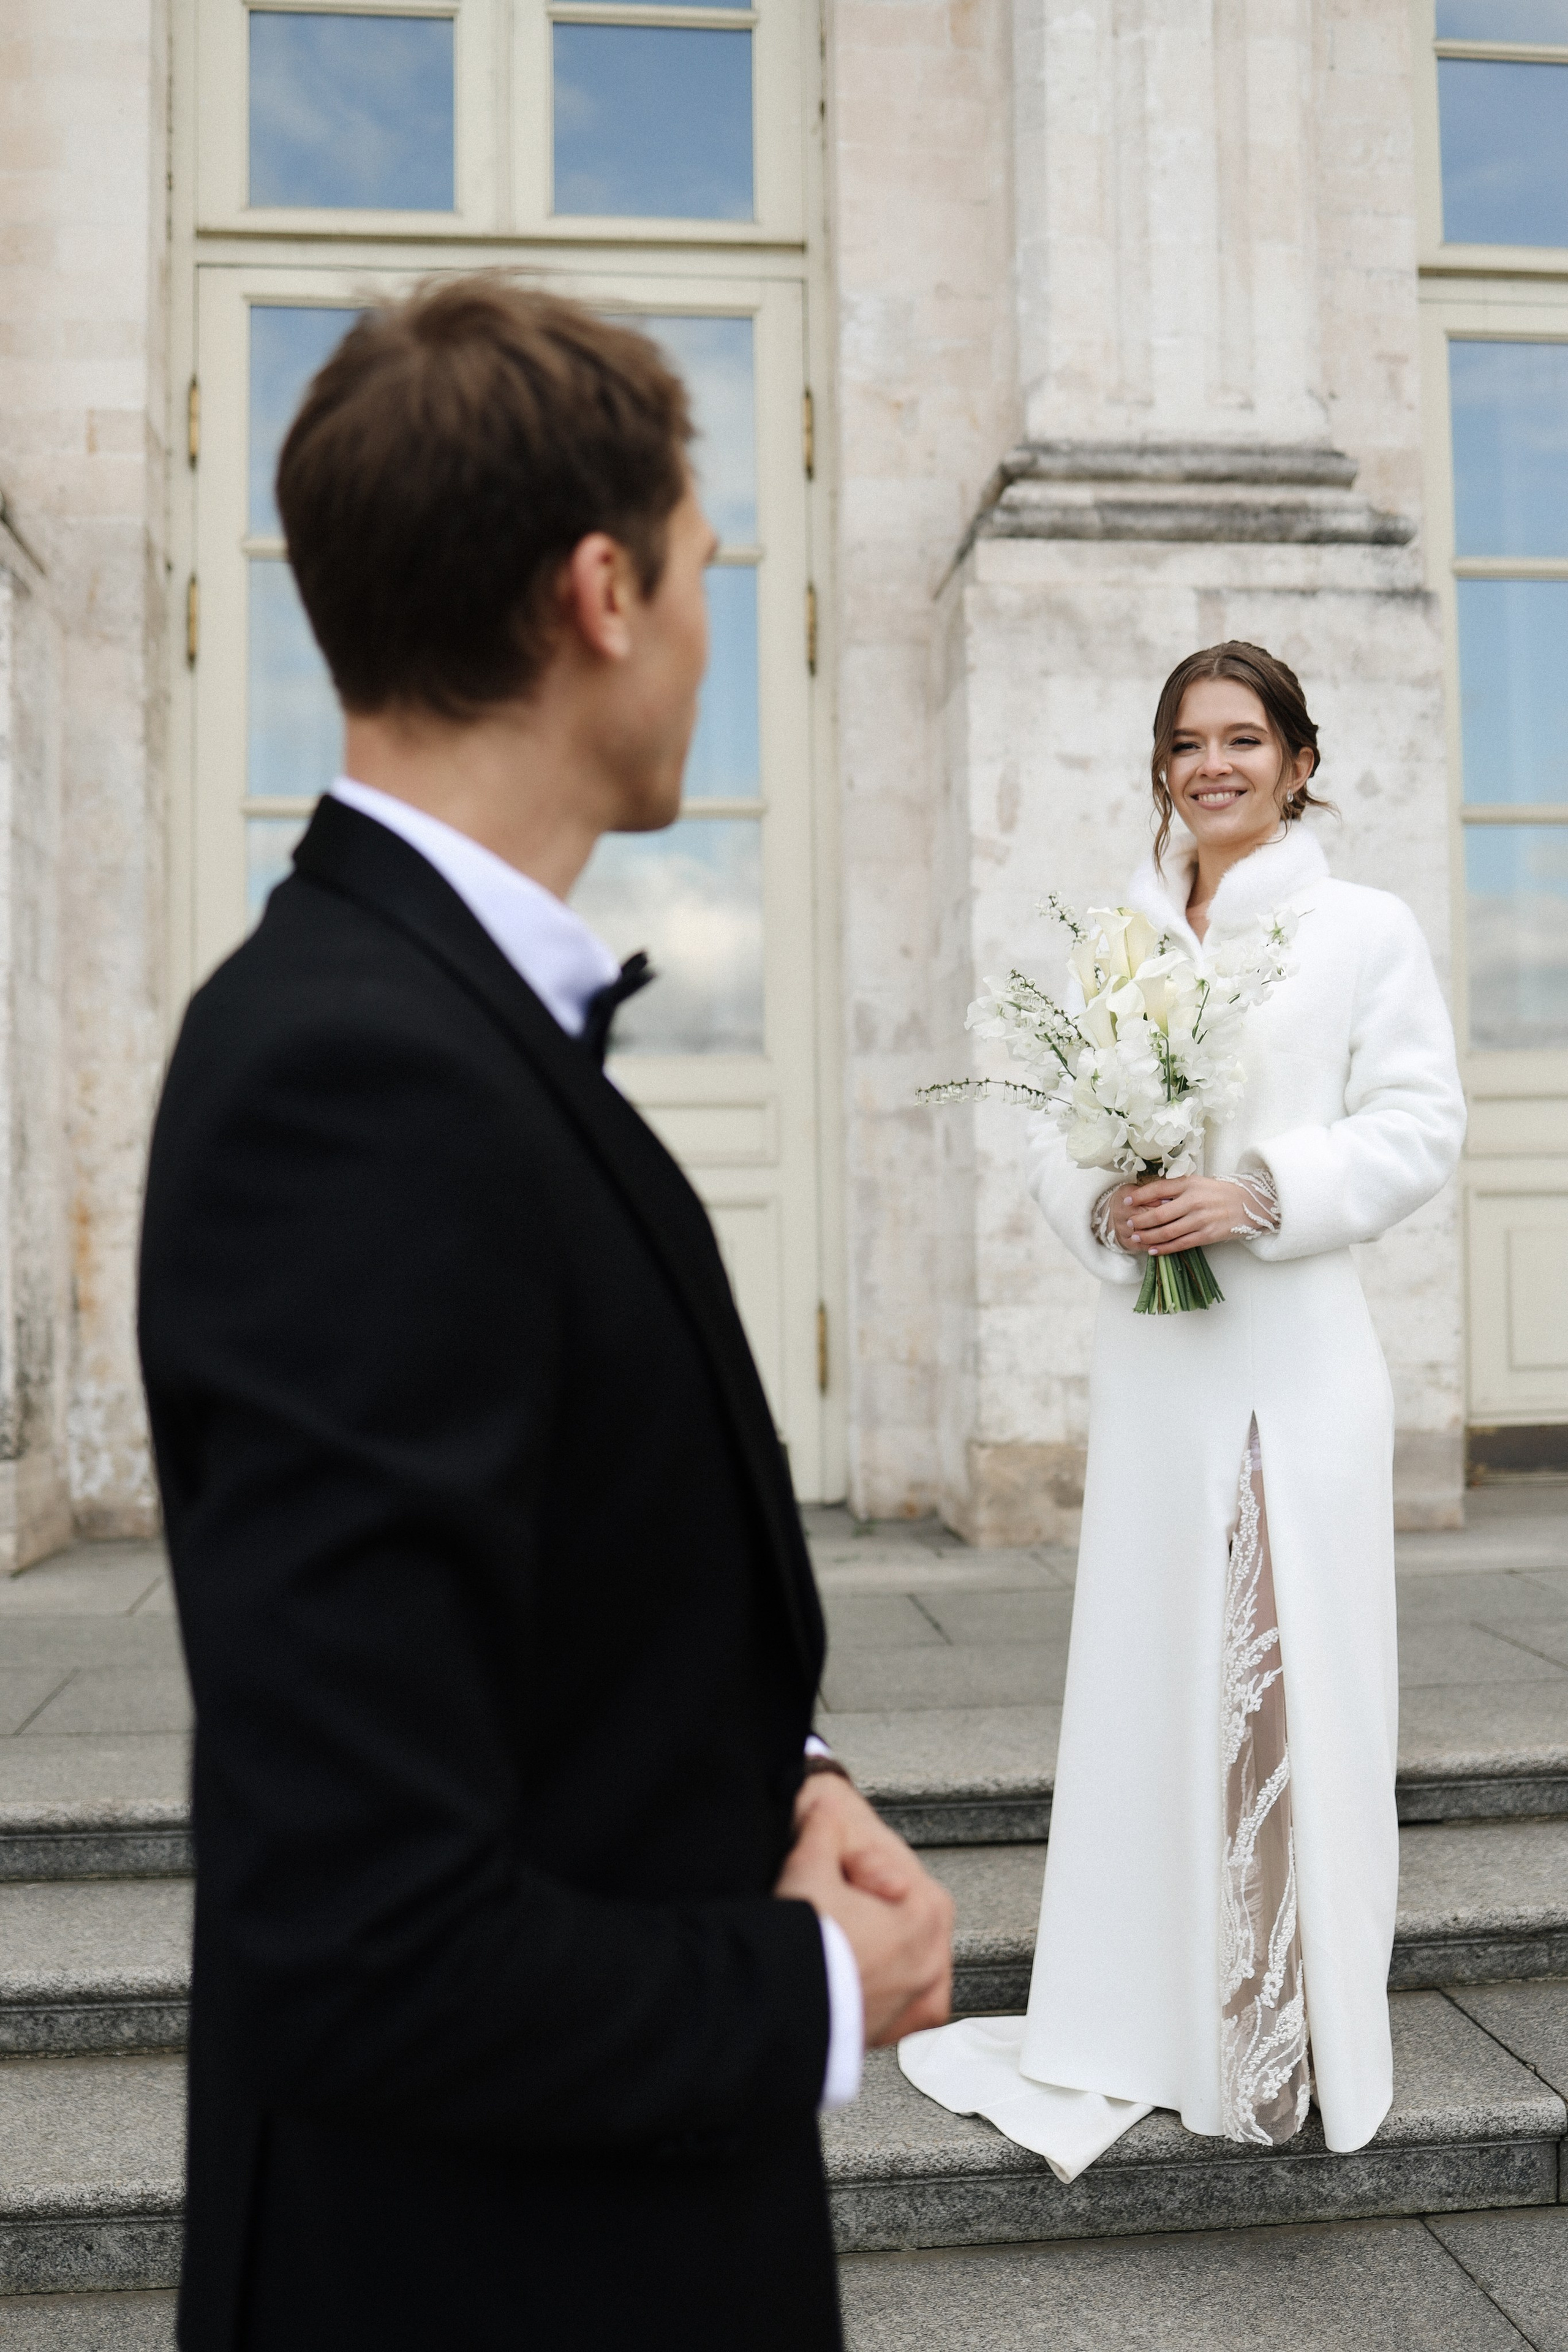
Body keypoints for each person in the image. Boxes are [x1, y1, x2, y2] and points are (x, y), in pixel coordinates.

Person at [138, 277, 952, 2352]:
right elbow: (365, 1935)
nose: (711, 622)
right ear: (602, 590)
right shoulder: (354, 1078)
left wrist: (793, 1776)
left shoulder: (443, 1015)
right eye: (702, 566)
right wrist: (806, 1991)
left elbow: (552, 1587)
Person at [900, 641, 1465, 2181]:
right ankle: (1147, 2017)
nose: (1210, 764)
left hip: (1293, 1369)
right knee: (1158, 1686)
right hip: (1154, 1377)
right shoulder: (1117, 942)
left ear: (1296, 761)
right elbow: (1041, 1132)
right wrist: (1113, 1204)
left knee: (1292, 1691)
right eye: (1184, 743)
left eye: (1242, 739)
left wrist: (1259, 1190)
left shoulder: (1361, 930)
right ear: (1159, 769)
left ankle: (1279, 2039)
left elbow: (1420, 1124)